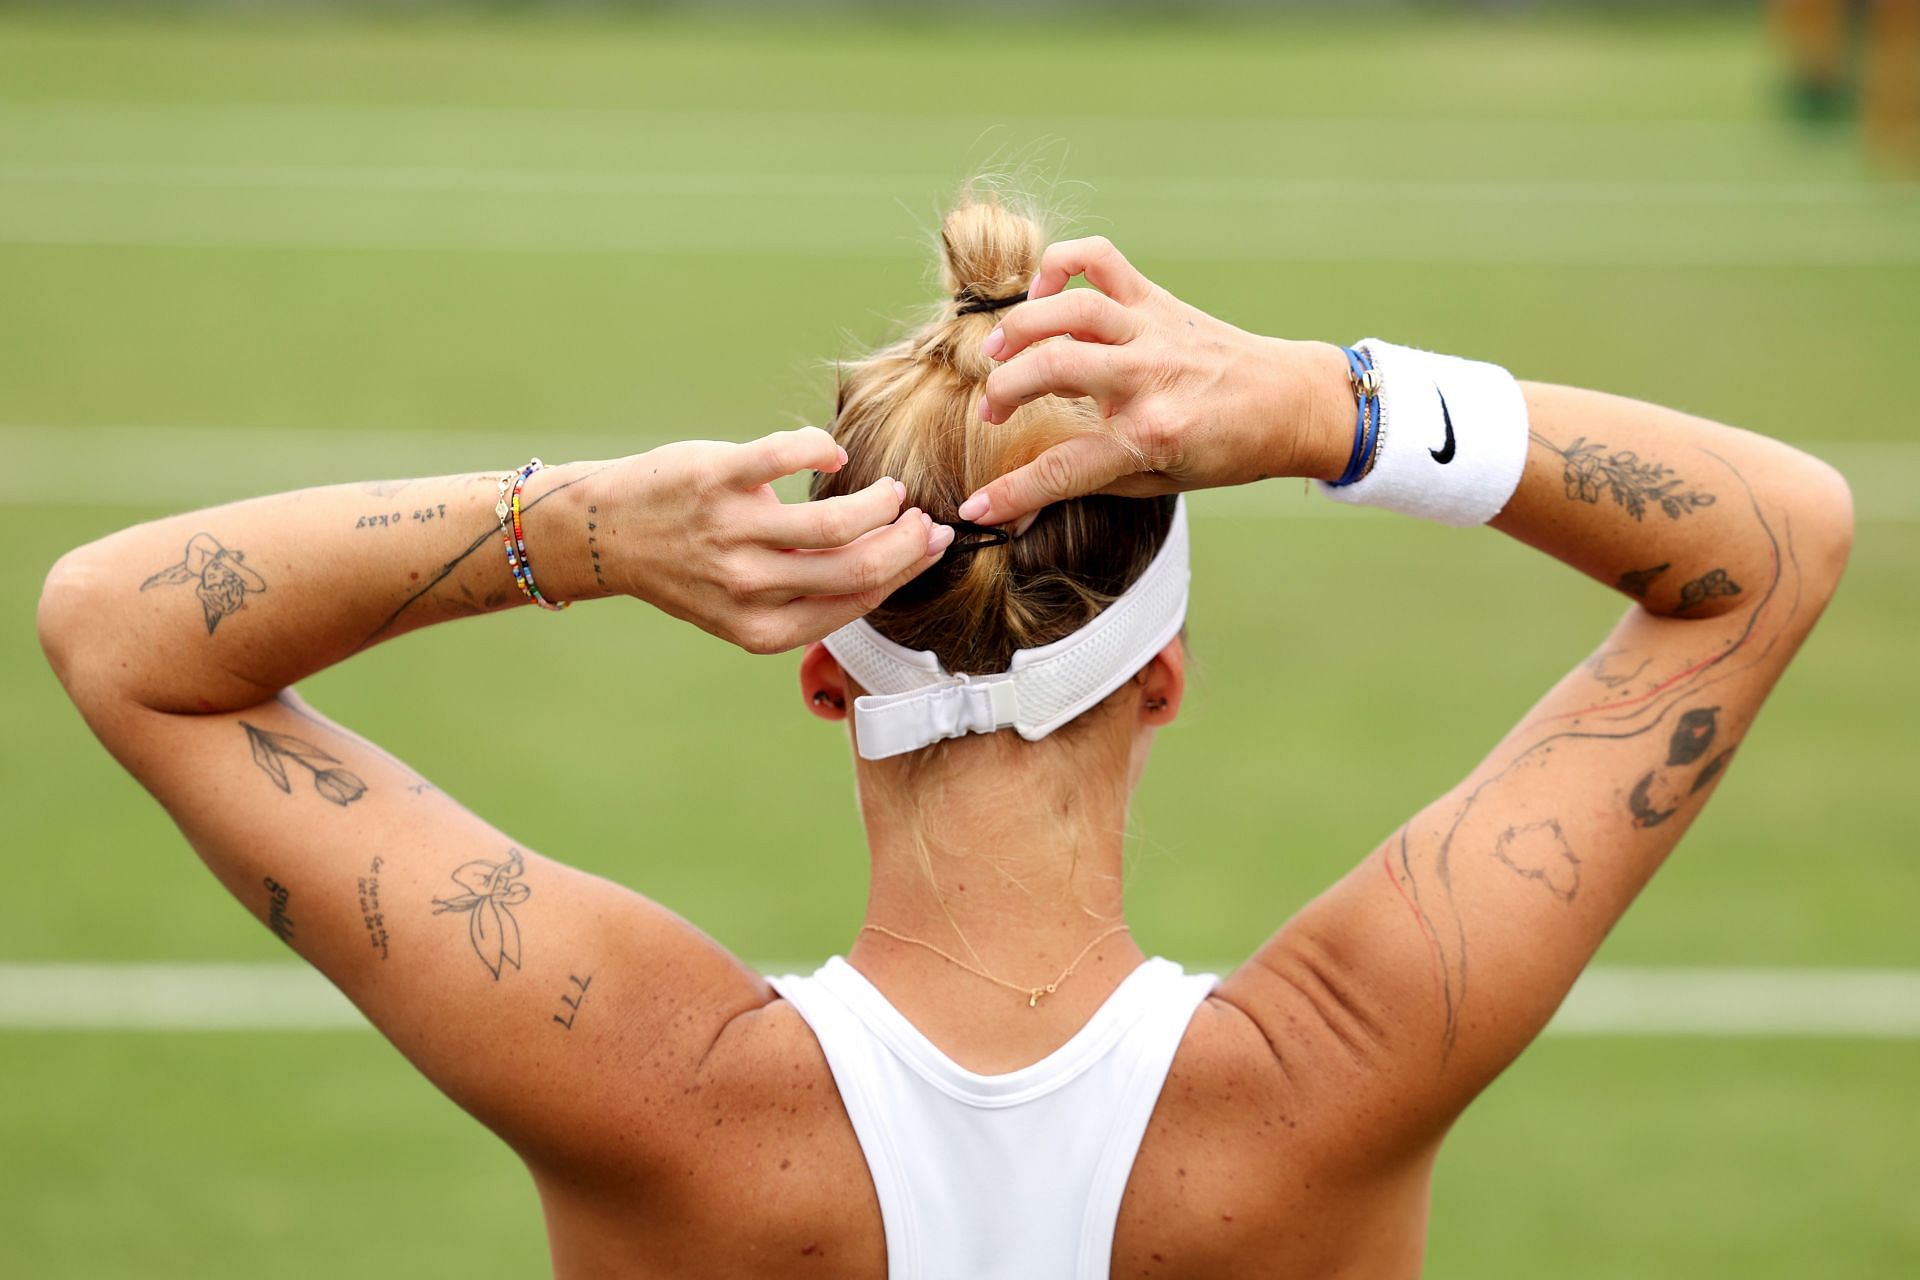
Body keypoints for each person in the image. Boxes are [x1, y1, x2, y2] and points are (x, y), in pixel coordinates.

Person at [37, 194, 1852, 1279]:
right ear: (1166, 671)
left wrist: (581, 526)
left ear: (823, 674)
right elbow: (1773, 542)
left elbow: (117, 629)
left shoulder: (655, 1084)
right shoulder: (1330, 1078)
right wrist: (1323, 403)